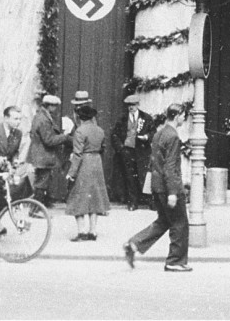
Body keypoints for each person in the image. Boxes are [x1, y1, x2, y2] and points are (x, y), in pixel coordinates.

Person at [123, 103, 191, 272]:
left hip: (157, 185)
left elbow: (155, 162)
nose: (184, 118)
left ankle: (134, 243)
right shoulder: (173, 136)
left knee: (163, 221)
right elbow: (170, 167)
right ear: (177, 115)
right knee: (180, 223)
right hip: (169, 187)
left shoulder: (159, 133)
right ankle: (175, 261)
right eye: (184, 115)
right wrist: (173, 192)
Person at [65, 104, 110, 241]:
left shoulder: (80, 131)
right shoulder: (100, 130)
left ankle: (81, 232)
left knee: (78, 196)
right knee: (95, 197)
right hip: (97, 163)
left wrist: (71, 173)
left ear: (79, 117)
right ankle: (93, 231)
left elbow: (77, 154)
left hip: (85, 163)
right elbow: (103, 148)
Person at [26, 94, 72, 208]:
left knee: (42, 181)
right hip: (43, 156)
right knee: (41, 183)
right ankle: (35, 209)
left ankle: (40, 206)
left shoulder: (42, 116)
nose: (56, 109)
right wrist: (64, 137)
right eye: (55, 106)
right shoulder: (43, 119)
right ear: (49, 106)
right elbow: (49, 140)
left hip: (41, 155)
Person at [111, 94, 154, 211]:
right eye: (129, 105)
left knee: (144, 176)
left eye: (133, 105)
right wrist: (121, 148)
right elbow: (114, 135)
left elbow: (153, 132)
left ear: (138, 105)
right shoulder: (122, 119)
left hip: (142, 151)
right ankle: (132, 203)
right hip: (127, 151)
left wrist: (147, 137)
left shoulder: (146, 118)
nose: (131, 107)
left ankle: (149, 201)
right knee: (130, 177)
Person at [0, 106, 29, 209]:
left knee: (4, 199)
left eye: (20, 119)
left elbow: (15, 151)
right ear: (6, 118)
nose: (18, 122)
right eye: (15, 119)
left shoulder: (18, 133)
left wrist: (15, 160)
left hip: (5, 171)